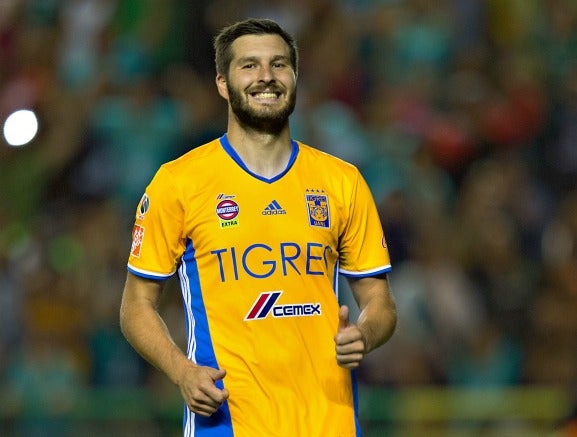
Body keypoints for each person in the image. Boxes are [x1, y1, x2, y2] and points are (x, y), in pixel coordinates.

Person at [119, 18, 397, 437]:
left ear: (295, 76)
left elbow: (380, 303)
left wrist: (365, 334)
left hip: (330, 423)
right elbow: (135, 306)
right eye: (249, 65)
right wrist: (182, 371)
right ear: (221, 83)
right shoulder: (179, 183)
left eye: (279, 64)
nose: (266, 76)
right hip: (227, 423)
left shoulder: (342, 181)